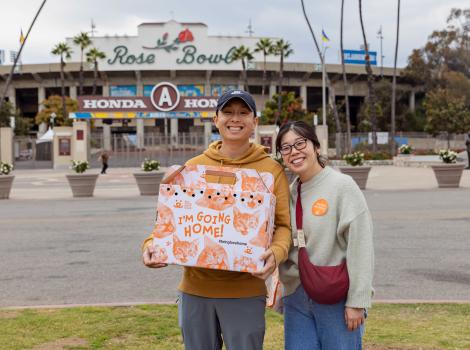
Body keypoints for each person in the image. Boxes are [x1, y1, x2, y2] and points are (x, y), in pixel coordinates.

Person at [142, 89, 291, 350]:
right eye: (228, 112)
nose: (236, 119)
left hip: (245, 292)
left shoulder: (270, 169)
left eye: (243, 113)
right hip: (195, 291)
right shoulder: (193, 166)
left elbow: (284, 226)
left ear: (254, 122)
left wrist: (276, 253)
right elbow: (171, 220)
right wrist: (150, 245)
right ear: (215, 119)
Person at [277, 121, 374, 350]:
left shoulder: (342, 186)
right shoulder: (291, 192)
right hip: (297, 298)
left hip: (336, 297)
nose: (294, 152)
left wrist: (357, 302)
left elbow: (361, 245)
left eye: (300, 143)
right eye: (286, 147)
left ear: (316, 147)